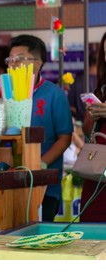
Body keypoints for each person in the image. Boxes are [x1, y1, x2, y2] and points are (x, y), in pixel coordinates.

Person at [6, 34, 73, 222]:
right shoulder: (5, 93)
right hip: (10, 182)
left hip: (45, 187)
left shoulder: (54, 95)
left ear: (37, 63)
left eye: (18, 59)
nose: (12, 64)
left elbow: (65, 137)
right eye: (10, 59)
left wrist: (41, 164)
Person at [80, 31, 106, 222]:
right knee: (92, 225)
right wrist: (91, 117)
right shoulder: (102, 87)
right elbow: (88, 131)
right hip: (97, 172)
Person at [68, 51, 98, 124]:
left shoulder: (76, 81)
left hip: (81, 124)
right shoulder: (101, 82)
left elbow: (71, 107)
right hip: (98, 125)